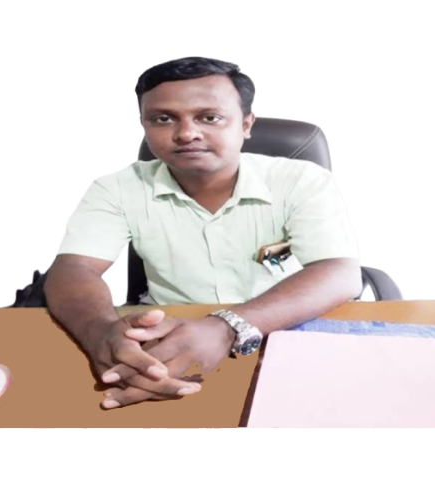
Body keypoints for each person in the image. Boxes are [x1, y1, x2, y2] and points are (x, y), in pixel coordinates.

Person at [44, 56, 362, 410]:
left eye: (209, 118)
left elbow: (339, 273)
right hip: (170, 339)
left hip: (287, 334)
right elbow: (73, 269)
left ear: (245, 124)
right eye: (163, 119)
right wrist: (100, 333)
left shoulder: (302, 181)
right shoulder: (116, 188)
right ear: (144, 124)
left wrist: (227, 327)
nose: (186, 133)